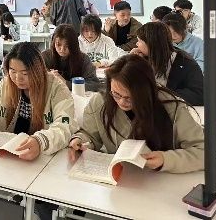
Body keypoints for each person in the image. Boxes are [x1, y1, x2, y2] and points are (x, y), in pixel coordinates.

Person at [69, 54, 204, 174]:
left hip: (162, 180)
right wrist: (80, 140)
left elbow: (203, 152)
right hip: (120, 179)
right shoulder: (100, 102)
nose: (122, 102)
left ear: (146, 91)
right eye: (116, 94)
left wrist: (165, 159)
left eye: (129, 98)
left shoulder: (172, 107)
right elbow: (90, 135)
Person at [0, 42, 77, 160]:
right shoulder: (6, 85)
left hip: (44, 157)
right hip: (9, 155)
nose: (18, 78)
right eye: (13, 71)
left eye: (25, 73)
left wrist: (40, 141)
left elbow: (64, 125)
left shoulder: (57, 89)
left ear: (38, 70)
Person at [131, 22, 203, 106]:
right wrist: (133, 62)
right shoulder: (143, 58)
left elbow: (199, 95)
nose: (136, 44)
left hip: (173, 109)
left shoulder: (185, 62)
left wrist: (161, 94)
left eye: (139, 41)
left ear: (151, 43)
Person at [42, 24, 99, 91]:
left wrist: (66, 83)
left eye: (67, 46)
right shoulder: (44, 57)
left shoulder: (83, 59)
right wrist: (47, 77)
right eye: (58, 45)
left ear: (74, 45)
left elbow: (94, 84)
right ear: (53, 42)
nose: (62, 49)